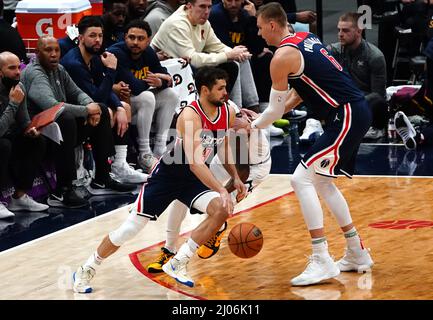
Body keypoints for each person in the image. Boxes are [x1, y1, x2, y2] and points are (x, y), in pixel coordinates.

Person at [72, 66, 247, 293]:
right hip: (169, 175)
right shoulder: (190, 116)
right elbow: (194, 163)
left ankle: (178, 262)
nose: (226, 93)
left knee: (221, 210)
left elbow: (222, 146)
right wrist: (221, 189)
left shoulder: (227, 112)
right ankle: (87, 268)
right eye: (221, 88)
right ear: (205, 90)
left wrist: (235, 177)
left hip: (194, 178)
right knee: (130, 229)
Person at [249, 3, 373, 286]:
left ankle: (321, 258)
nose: (258, 33)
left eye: (259, 27)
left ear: (271, 25)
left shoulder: (281, 57)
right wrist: (264, 117)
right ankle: (357, 253)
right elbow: (299, 92)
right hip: (352, 111)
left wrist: (252, 125)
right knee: (322, 183)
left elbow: (274, 112)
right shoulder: (307, 40)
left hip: (346, 115)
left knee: (300, 180)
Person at [146, 104, 271, 272]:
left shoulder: (244, 133)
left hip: (251, 171)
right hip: (224, 160)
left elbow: (241, 172)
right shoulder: (211, 109)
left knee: (221, 206)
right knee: (180, 196)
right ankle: (169, 249)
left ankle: (218, 228)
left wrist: (221, 192)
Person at [21, 36, 136, 206]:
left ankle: (102, 178)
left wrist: (91, 106)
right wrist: (85, 110)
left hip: (59, 131)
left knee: (102, 110)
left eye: (56, 50)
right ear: (37, 53)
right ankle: (63, 190)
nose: (53, 54)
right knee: (66, 118)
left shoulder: (59, 69)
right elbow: (53, 107)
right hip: (37, 133)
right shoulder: (34, 73)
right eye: (48, 50)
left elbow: (77, 93)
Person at [60, 16, 147, 184]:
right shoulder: (74, 64)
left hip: (92, 107)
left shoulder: (94, 58)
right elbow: (97, 98)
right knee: (104, 110)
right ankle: (101, 171)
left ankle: (120, 166)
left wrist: (119, 108)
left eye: (100, 35)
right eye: (92, 36)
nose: (98, 40)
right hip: (74, 115)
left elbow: (103, 89)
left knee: (124, 107)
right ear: (81, 38)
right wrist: (111, 70)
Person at [150, 0, 252, 109]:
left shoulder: (203, 22)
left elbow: (216, 46)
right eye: (202, 6)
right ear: (189, 6)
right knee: (204, 70)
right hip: (166, 72)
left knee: (231, 65)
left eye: (209, 7)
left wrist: (236, 53)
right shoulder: (177, 24)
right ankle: (208, 110)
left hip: (186, 69)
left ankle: (228, 107)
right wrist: (229, 55)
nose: (207, 11)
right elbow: (194, 60)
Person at [107, 20, 178, 173]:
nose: (135, 42)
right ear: (125, 37)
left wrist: (161, 81)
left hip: (136, 104)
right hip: (118, 104)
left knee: (171, 95)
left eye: (140, 39)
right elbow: (136, 87)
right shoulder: (117, 53)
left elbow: (166, 77)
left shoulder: (148, 52)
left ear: (148, 40)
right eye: (131, 37)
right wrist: (159, 80)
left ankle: (160, 148)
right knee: (147, 96)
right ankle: (144, 153)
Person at [0, 51, 48, 218]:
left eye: (18, 67)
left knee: (37, 141)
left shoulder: (18, 87)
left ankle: (19, 197)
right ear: (0, 72)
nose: (18, 72)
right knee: (3, 145)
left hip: (9, 135)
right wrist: (13, 103)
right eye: (12, 68)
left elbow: (24, 121)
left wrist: (31, 130)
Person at [327, 12, 388, 140]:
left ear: (359, 32)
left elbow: (378, 95)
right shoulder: (332, 51)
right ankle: (315, 122)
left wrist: (352, 103)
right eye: (339, 30)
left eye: (345, 30)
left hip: (363, 103)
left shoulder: (374, 56)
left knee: (377, 100)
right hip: (341, 101)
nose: (340, 34)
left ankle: (374, 128)